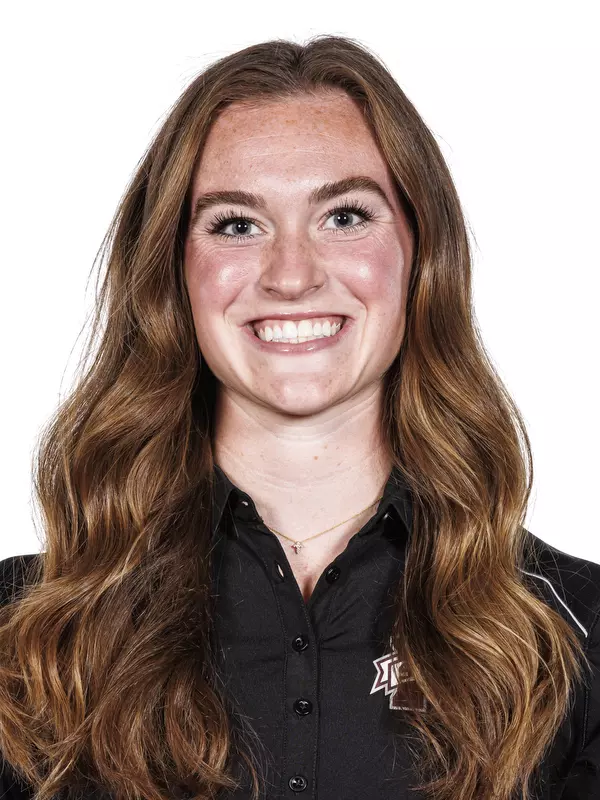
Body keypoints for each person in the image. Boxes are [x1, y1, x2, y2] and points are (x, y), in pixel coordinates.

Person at [0, 34, 599, 800]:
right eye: (236, 224)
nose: (291, 275)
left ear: (422, 254)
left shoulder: (574, 635)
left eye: (345, 216)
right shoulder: (29, 640)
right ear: (171, 269)